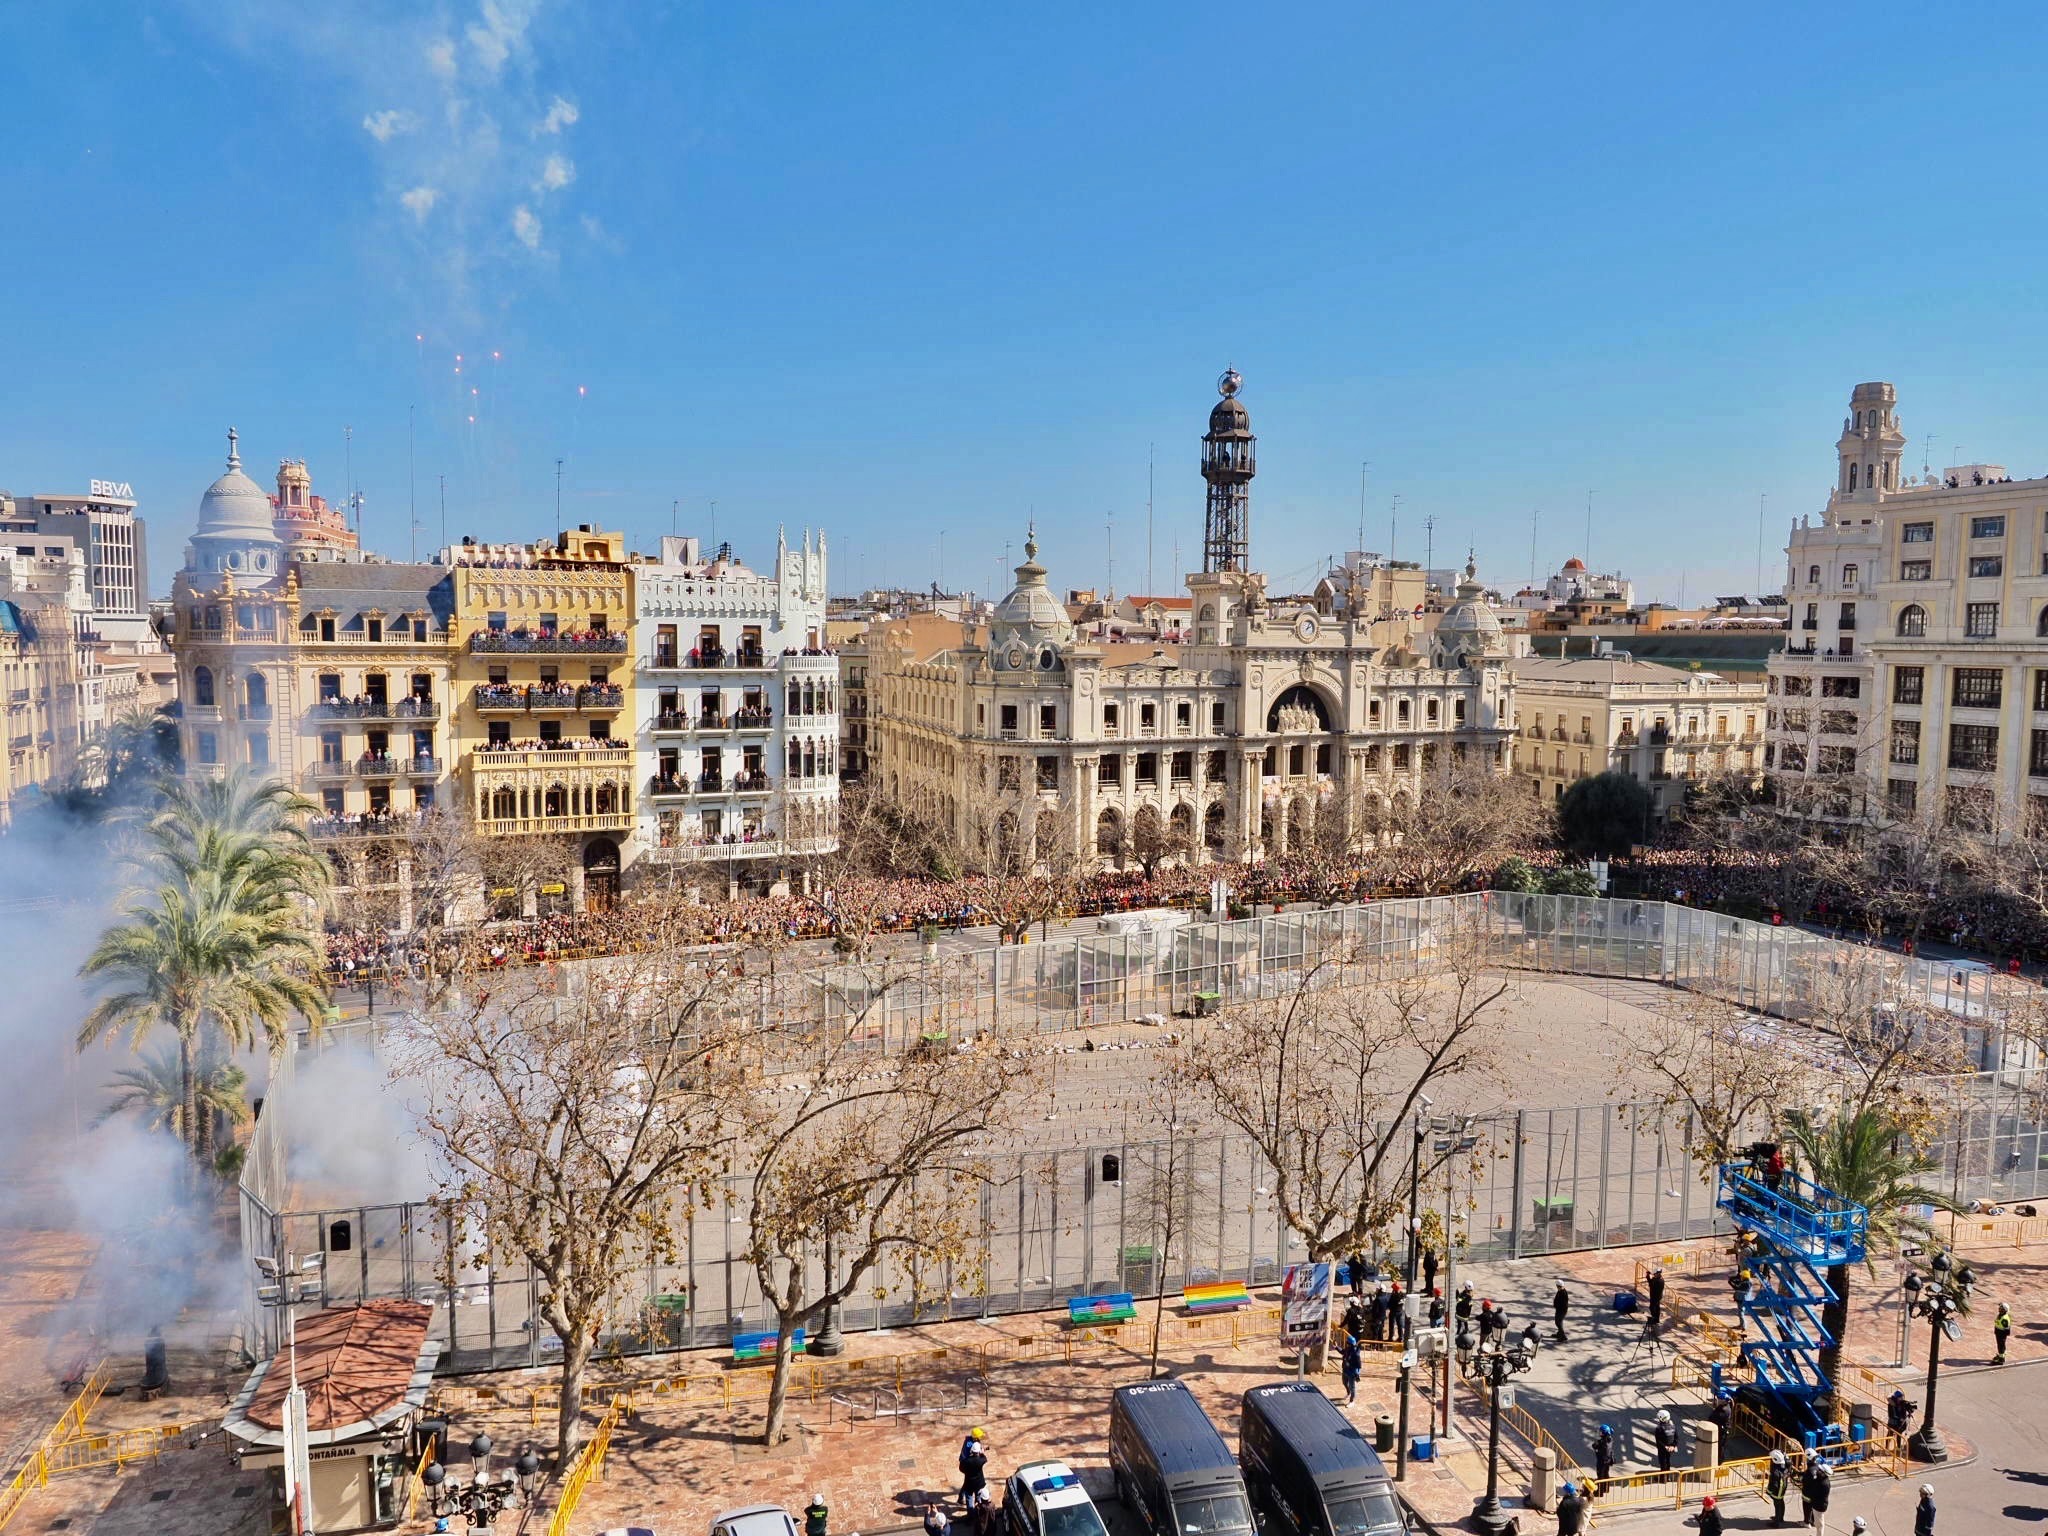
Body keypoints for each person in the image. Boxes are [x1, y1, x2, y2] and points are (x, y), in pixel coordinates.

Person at [957, 1428, 988, 1506]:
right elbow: (975, 1457)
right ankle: (962, 1498)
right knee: (968, 1482)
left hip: (966, 1464)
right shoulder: (971, 1445)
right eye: (979, 1437)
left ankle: (961, 1497)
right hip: (967, 1465)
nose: (980, 1438)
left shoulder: (970, 1440)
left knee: (968, 1482)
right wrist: (981, 1453)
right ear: (976, 1437)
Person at [1802, 1456, 1831, 1535]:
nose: (1818, 1471)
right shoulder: (1822, 1480)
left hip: (1819, 1506)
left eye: (1820, 1470)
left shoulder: (1823, 1483)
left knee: (1819, 1525)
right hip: (1818, 1505)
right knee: (1818, 1523)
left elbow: (1815, 1492)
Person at [1765, 1448, 1791, 1526]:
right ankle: (1780, 1517)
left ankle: (1776, 1522)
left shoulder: (1776, 1471)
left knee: (1777, 1504)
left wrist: (1769, 1492)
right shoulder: (1785, 1464)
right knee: (1781, 1502)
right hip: (1783, 1486)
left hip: (1778, 1489)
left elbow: (1774, 1484)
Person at [1590, 1423, 1615, 1493]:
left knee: (1600, 1475)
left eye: (1601, 1432)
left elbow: (1594, 1445)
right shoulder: (1610, 1439)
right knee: (1606, 1474)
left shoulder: (1602, 1441)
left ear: (1604, 1433)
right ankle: (1606, 1489)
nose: (1599, 1433)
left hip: (1601, 1461)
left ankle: (1600, 1492)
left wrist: (1596, 1445)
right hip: (1608, 1460)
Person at [1341, 1332, 1363, 1405]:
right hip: (1345, 1370)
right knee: (1344, 1383)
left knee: (1352, 1388)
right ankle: (1348, 1393)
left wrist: (1356, 1374)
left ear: (1350, 1344)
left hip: (1351, 1373)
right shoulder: (1348, 1349)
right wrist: (1336, 1347)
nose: (1346, 1344)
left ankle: (1351, 1401)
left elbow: (1359, 1366)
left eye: (1347, 1343)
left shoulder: (1356, 1354)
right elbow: (1343, 1352)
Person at [1654, 1408, 1676, 1472]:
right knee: (1668, 1461)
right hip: (1670, 1447)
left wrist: (1665, 1447)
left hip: (1662, 1449)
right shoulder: (1673, 1426)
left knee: (1662, 1463)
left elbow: (1658, 1440)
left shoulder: (1659, 1428)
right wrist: (1673, 1446)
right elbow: (1676, 1437)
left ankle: (1663, 1478)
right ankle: (1667, 1476)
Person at [1648, 1266, 1666, 1335]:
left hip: (1655, 1297)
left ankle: (1654, 1319)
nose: (1654, 1275)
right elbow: (1651, 1283)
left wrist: (1650, 1278)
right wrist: (1648, 1277)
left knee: (1652, 1307)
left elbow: (1651, 1284)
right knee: (1657, 1307)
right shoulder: (1657, 1279)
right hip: (1656, 1296)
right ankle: (1656, 1319)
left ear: (1658, 1274)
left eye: (1655, 1274)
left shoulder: (1659, 1281)